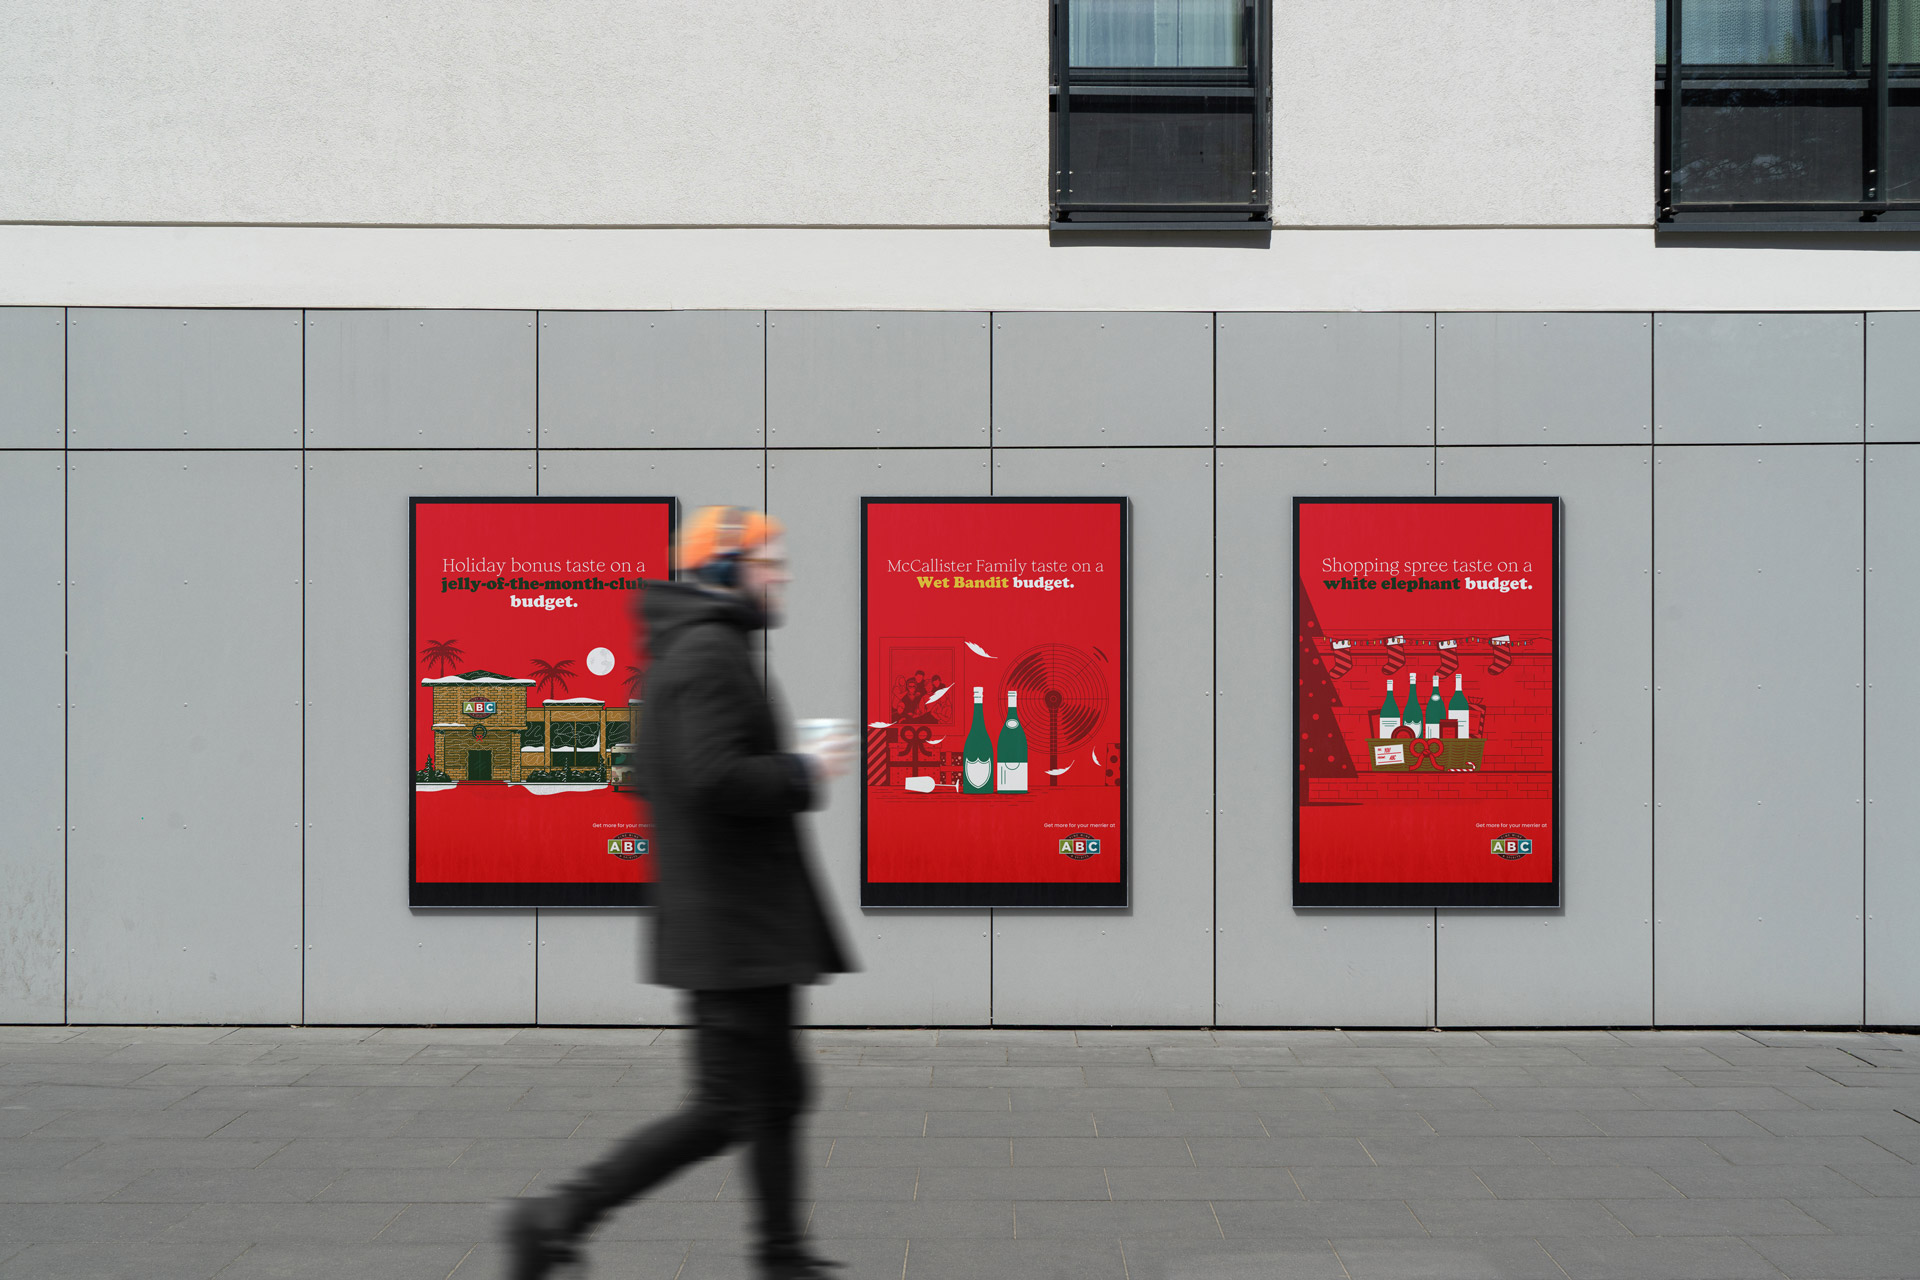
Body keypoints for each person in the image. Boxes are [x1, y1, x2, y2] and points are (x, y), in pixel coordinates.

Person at [504, 506, 856, 1280]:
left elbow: (653, 776)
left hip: (739, 930)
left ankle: (782, 1254)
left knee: (780, 1095)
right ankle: (559, 1215)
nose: (783, 576)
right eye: (770, 562)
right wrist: (805, 771)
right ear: (728, 569)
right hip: (735, 936)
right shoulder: (707, 654)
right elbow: (710, 773)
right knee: (726, 1109)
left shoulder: (693, 651)